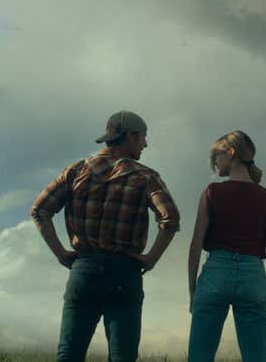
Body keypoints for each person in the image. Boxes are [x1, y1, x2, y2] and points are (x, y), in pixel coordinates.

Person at [30, 110, 180, 362]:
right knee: (123, 356)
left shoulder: (75, 171)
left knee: (69, 353)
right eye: (143, 137)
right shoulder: (146, 176)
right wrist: (151, 258)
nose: (145, 143)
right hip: (125, 272)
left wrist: (61, 254)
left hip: (84, 269)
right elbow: (170, 218)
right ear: (130, 137)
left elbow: (40, 210)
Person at [187, 130, 266, 362]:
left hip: (215, 275)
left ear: (231, 153)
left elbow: (195, 247)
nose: (214, 162)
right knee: (255, 357)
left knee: (200, 357)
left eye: (216, 156)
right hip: (253, 277)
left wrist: (193, 291)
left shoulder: (212, 192)